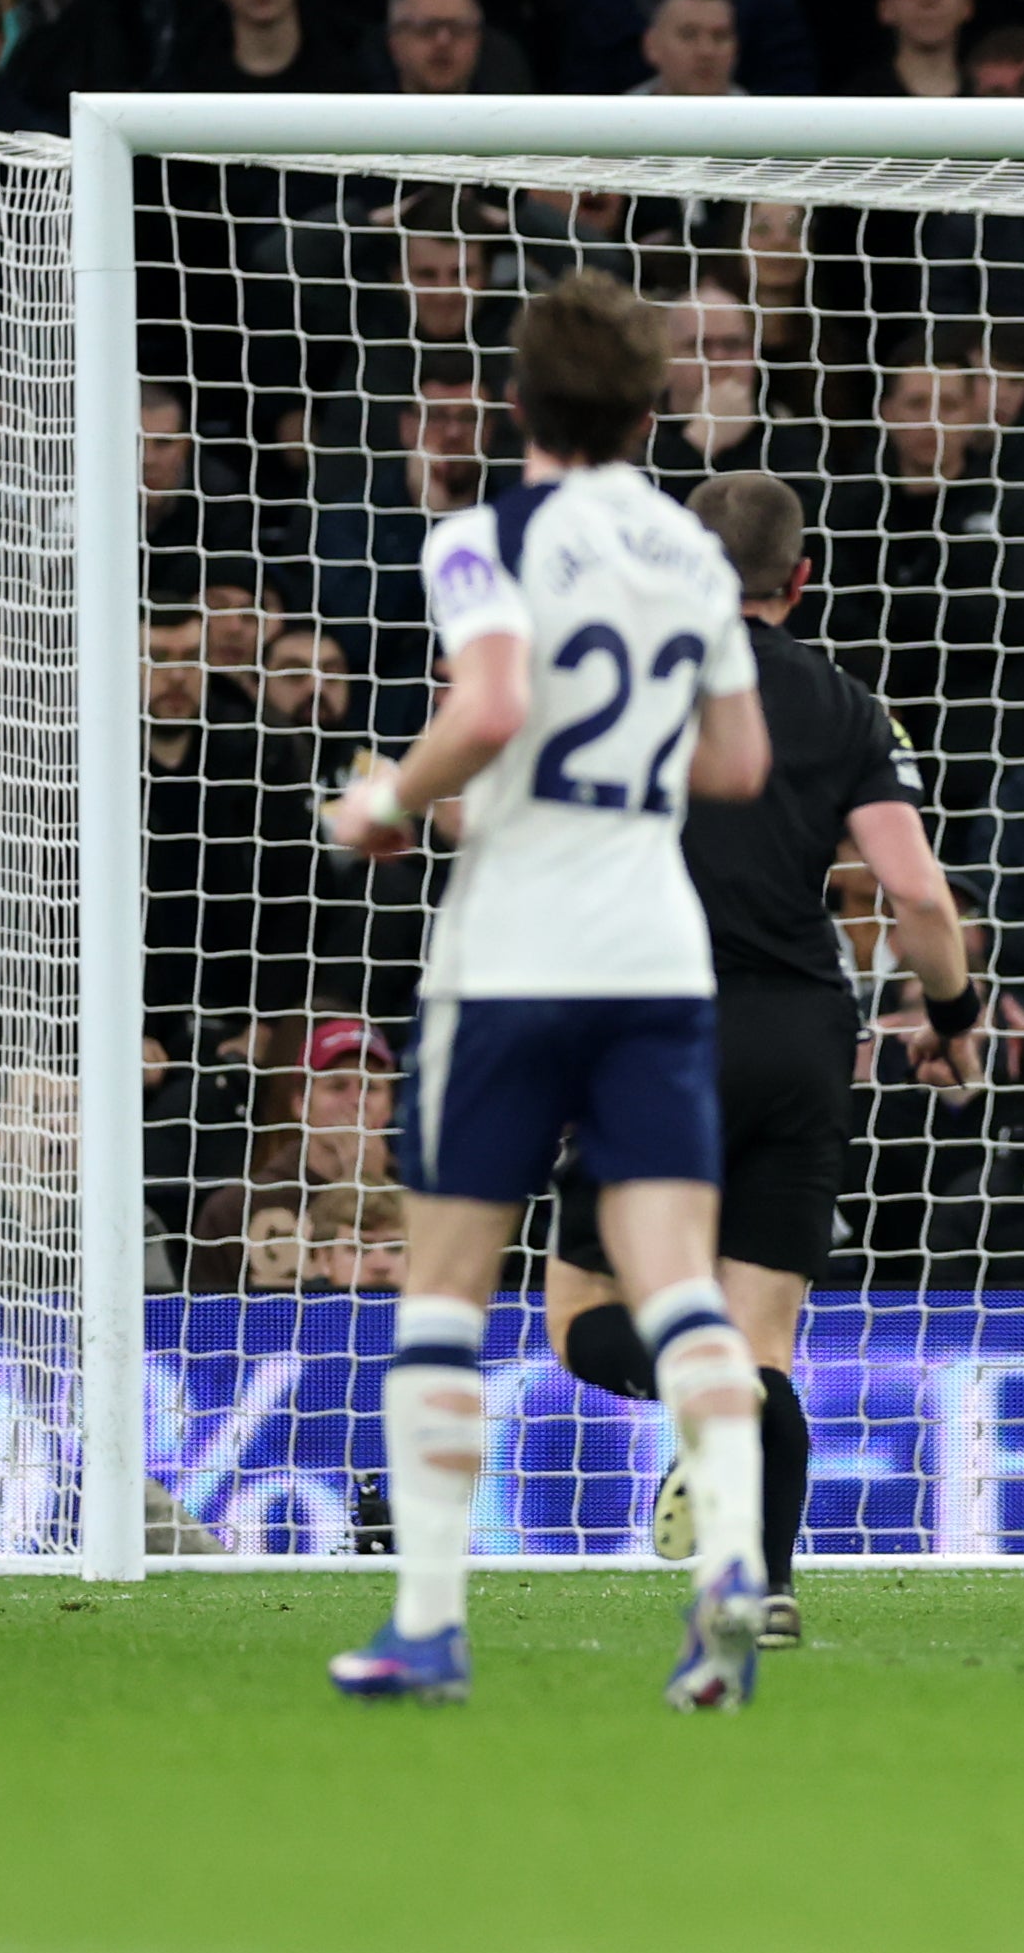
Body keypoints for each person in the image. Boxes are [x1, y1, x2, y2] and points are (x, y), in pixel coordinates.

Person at [318, 271, 778, 1710]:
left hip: (512, 955)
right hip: (654, 948)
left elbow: (498, 700)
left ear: (516, 402)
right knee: (680, 1280)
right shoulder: (693, 552)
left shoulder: (479, 538)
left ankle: (429, 1624)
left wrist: (387, 796)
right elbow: (739, 767)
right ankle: (733, 1562)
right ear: (649, 408)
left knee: (446, 1286)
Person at [538, 475, 980, 1656]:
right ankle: (764, 1585)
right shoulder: (845, 702)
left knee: (582, 1313)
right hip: (800, 1030)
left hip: (653, 1019)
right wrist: (954, 1008)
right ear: (804, 575)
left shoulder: (619, 675)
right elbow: (919, 894)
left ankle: (704, 1382)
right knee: (766, 1339)